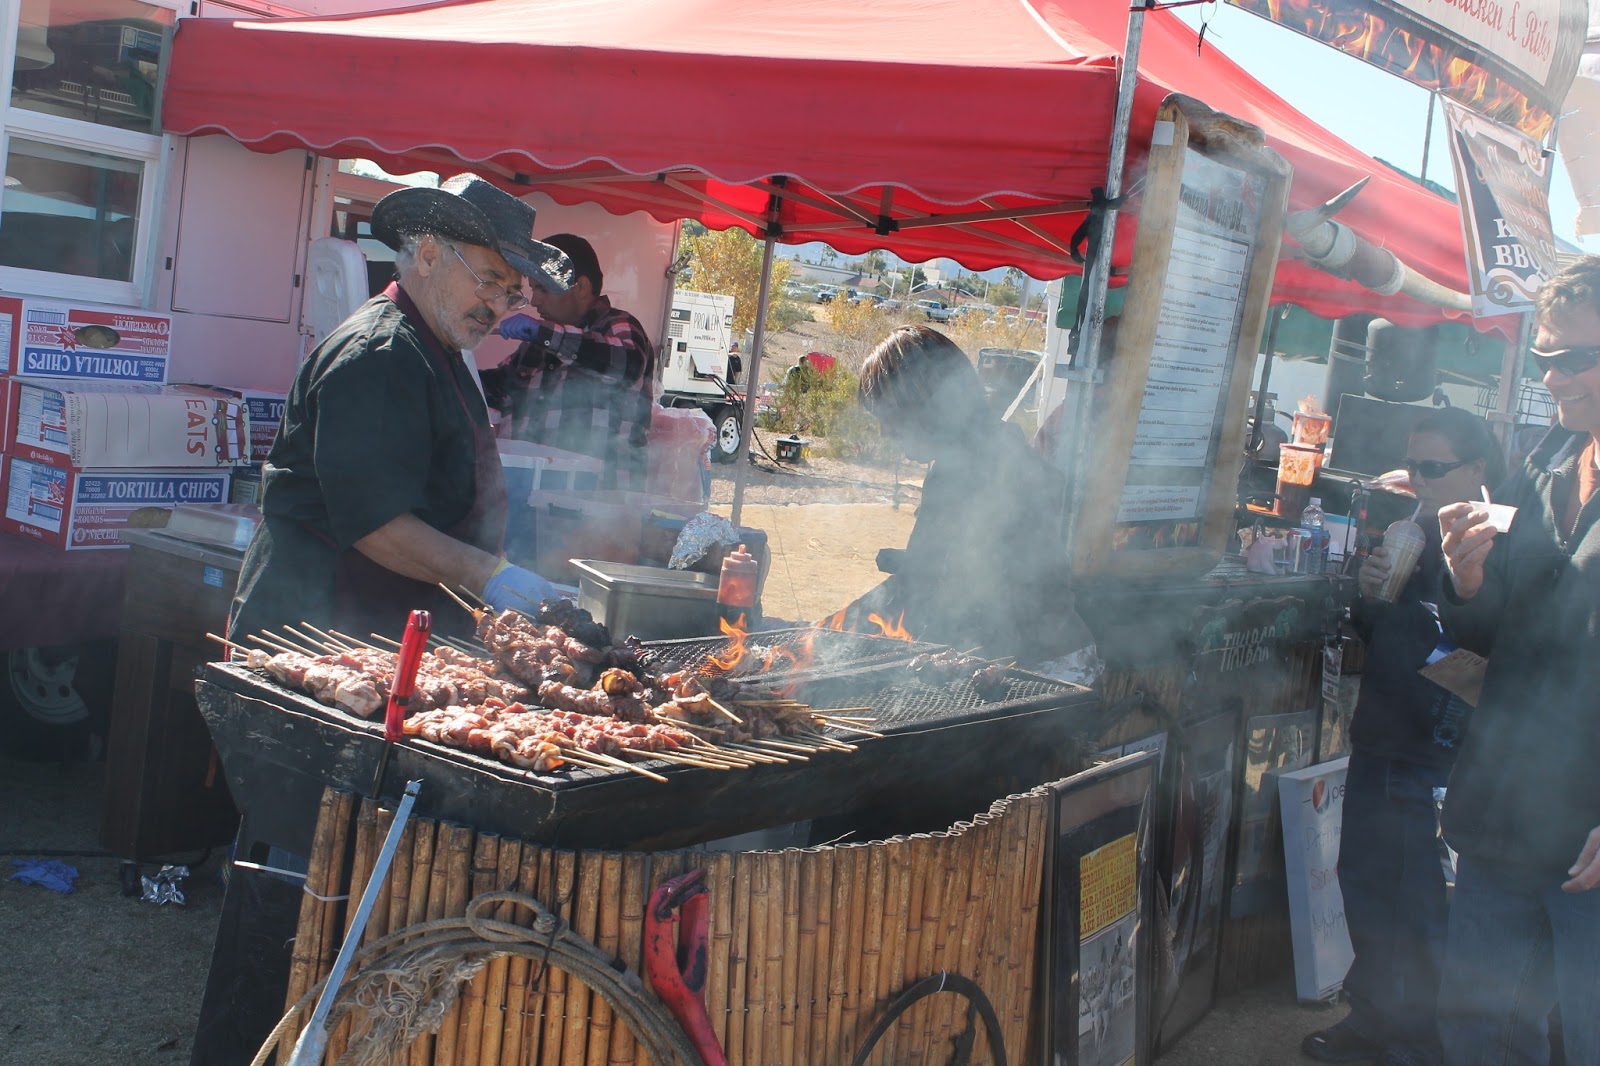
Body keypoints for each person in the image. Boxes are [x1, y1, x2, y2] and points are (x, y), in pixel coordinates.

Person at [229, 175, 575, 641]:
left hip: (385, 624)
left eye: (510, 294)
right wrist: (490, 576)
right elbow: (377, 524)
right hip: (317, 629)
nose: (496, 308)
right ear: (430, 255)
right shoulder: (382, 352)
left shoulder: (441, 346)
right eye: (488, 282)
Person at [1433, 255, 1600, 1066]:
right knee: (1482, 1040)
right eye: (1543, 359)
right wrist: (1465, 583)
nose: (1554, 378)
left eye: (1573, 358)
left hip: (1589, 845)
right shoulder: (1543, 466)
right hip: (1502, 820)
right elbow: (1494, 630)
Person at [1301, 408, 1504, 1066]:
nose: (1417, 477)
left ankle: (1418, 1042)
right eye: (1413, 465)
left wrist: (1431, 640)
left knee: (1418, 907)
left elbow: (1492, 653)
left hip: (1436, 754)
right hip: (1382, 736)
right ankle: (1374, 1019)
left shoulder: (1494, 539)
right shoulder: (1412, 524)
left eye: (1434, 467)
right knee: (1365, 886)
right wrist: (1368, 594)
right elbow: (1376, 627)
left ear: (1476, 471)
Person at [846, 324, 1082, 661]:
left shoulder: (991, 466)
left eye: (889, 416)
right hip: (1008, 657)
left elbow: (1006, 601)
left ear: (928, 405)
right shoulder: (966, 460)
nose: (885, 432)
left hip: (1036, 671)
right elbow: (929, 577)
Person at [480, 233, 656, 490]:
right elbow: (501, 389)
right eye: (533, 289)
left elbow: (626, 365)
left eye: (543, 288)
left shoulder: (618, 325)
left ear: (581, 287)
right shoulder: (536, 345)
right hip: (535, 497)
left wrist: (544, 333)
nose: (536, 300)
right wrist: (456, 367)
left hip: (601, 504)